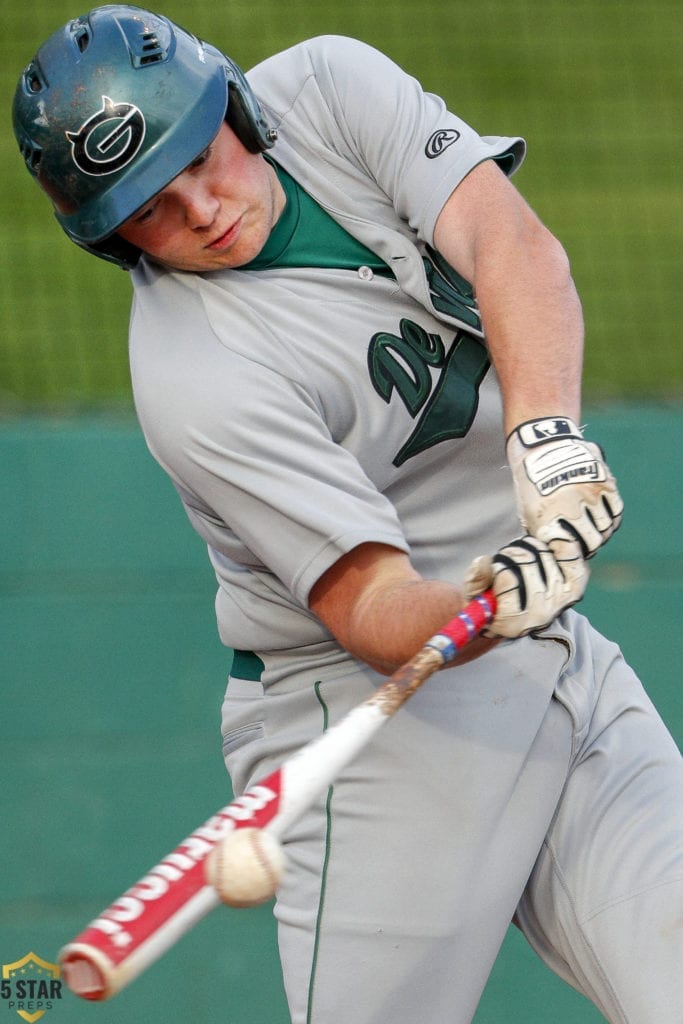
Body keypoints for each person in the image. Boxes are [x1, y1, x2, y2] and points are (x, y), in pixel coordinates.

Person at [13, 6, 682, 1023]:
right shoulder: (197, 379)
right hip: (373, 728)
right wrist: (483, 596)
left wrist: (545, 441)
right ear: (112, 241)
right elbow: (367, 608)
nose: (198, 207)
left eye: (202, 152)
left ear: (234, 105)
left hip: (553, 661)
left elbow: (509, 244)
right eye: (150, 205)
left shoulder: (328, 88)